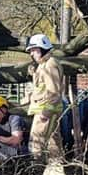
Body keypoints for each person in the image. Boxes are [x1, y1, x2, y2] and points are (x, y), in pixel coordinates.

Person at [25, 34, 65, 166]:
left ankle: (36, 171)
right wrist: (34, 74)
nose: (32, 54)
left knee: (36, 145)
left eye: (34, 50)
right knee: (53, 145)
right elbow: (42, 86)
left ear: (43, 48)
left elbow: (54, 92)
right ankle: (56, 171)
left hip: (46, 111)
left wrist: (45, 113)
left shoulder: (50, 64)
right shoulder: (44, 64)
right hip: (47, 110)